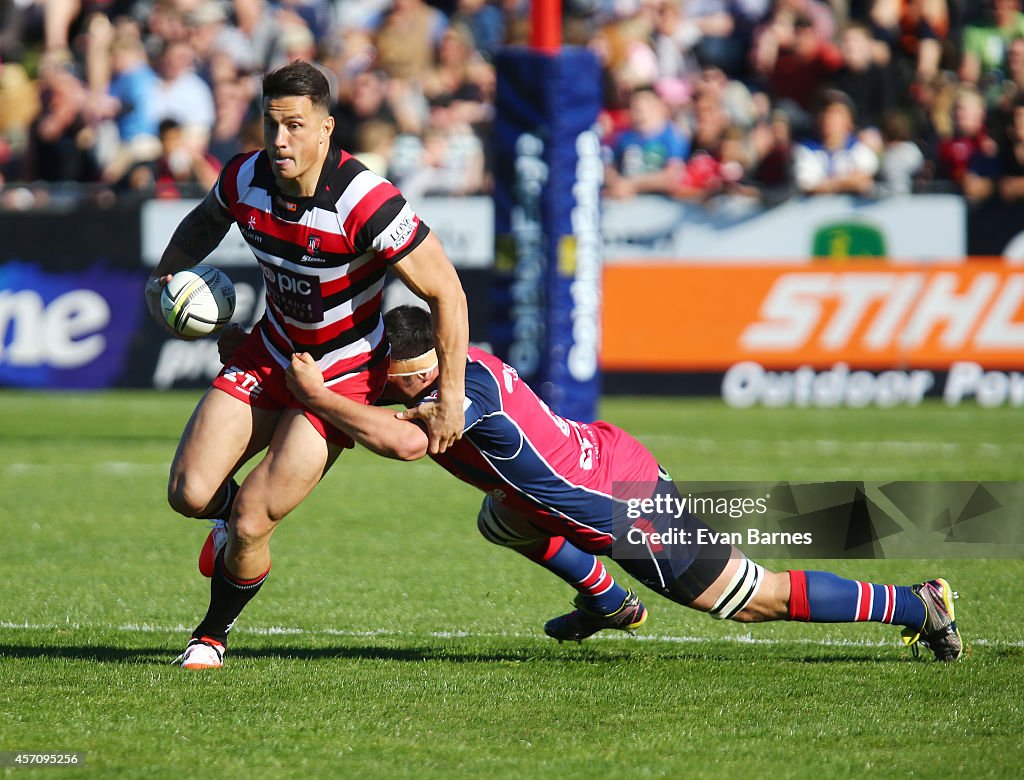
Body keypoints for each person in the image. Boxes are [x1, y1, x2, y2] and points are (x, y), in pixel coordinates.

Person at [282, 305, 964, 663]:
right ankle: (606, 600)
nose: (376, 383)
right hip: (596, 465)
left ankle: (918, 605)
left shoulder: (455, 394)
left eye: (388, 377)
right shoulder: (450, 370)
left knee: (754, 600)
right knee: (502, 517)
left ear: (416, 372)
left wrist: (316, 395)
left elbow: (404, 443)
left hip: (627, 506)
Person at [144, 61, 469, 670]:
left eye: (295, 126)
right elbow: (205, 219)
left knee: (251, 518)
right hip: (269, 348)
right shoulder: (245, 176)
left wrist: (450, 395)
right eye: (272, 125)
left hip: (345, 372)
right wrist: (165, 274)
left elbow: (446, 291)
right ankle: (232, 534)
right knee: (189, 494)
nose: (281, 140)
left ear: (326, 129)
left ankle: (212, 634)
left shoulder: (366, 200)